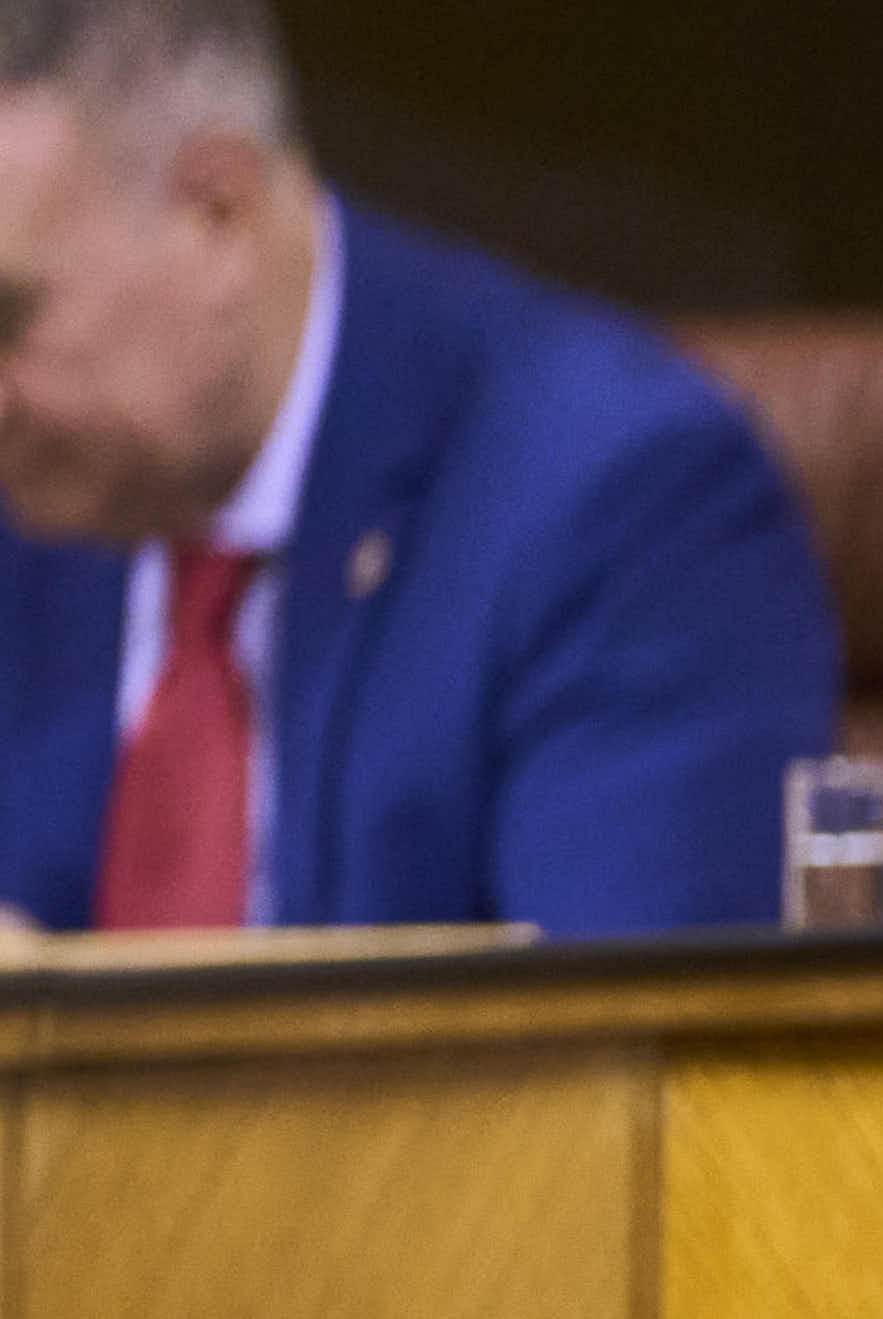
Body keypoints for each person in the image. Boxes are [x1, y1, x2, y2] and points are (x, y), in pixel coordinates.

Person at [0, 0, 837, 936]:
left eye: (8, 316)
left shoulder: (622, 504)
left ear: (216, 214)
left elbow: (626, 1058)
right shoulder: (57, 488)